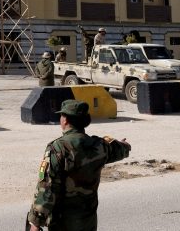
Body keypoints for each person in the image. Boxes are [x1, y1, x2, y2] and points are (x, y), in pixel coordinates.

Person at [26, 99, 131, 231]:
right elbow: (120, 149)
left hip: (63, 223)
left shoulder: (58, 149)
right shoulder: (99, 146)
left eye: (62, 115)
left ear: (65, 120)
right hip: (88, 222)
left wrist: (35, 223)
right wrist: (125, 145)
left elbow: (47, 189)